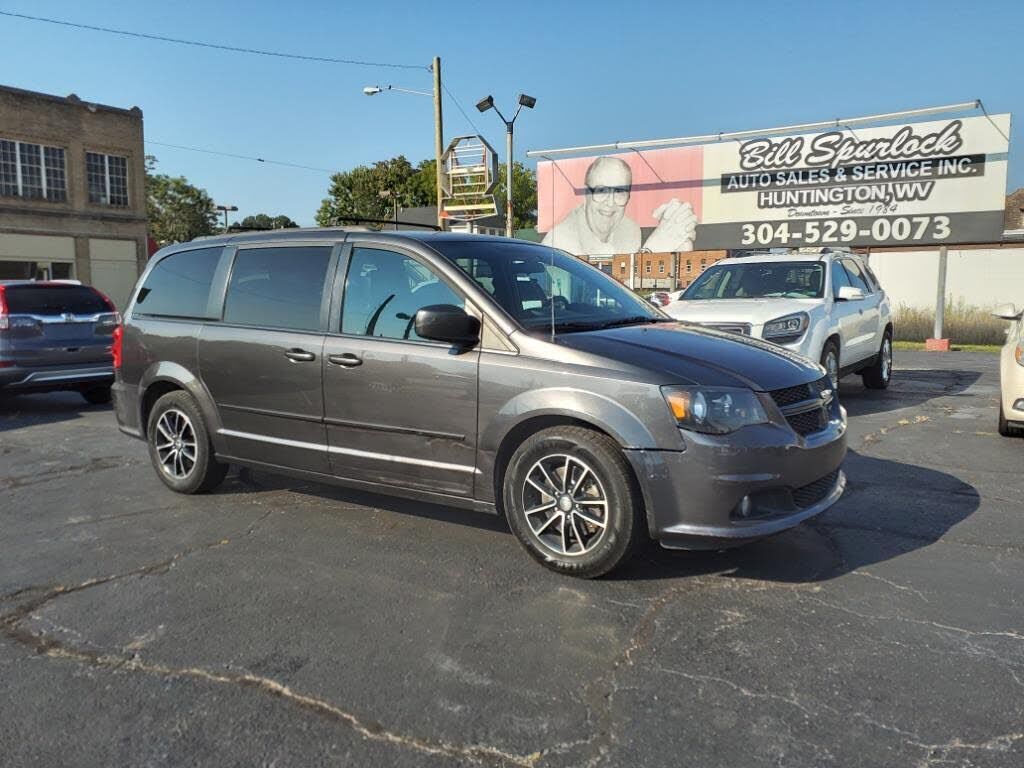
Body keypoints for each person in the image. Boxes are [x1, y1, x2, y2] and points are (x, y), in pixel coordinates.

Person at [542, 156, 698, 256]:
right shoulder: (560, 241)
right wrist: (651, 250)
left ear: (629, 196)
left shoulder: (630, 230)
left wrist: (680, 238)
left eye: (619, 192)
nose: (610, 203)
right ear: (586, 194)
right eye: (601, 191)